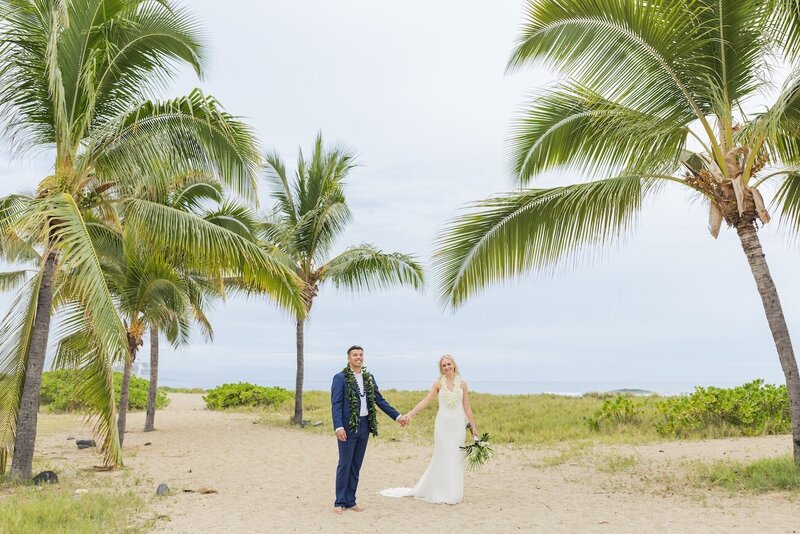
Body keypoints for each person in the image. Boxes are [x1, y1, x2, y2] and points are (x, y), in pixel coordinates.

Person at [380, 354, 478, 504]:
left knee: (455, 457)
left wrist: (474, 428)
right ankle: (441, 491)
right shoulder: (438, 384)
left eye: (449, 364)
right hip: (442, 425)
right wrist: (410, 414)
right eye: (444, 365)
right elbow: (426, 401)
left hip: (458, 425)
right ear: (441, 369)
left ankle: (453, 493)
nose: (447, 367)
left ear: (454, 365)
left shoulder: (463, 384)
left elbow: (467, 407)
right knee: (442, 455)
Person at [331, 345, 408, 514]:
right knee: (345, 464)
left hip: (365, 425)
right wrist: (338, 426)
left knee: (356, 465)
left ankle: (351, 500)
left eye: (360, 355)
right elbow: (336, 404)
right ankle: (339, 502)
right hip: (347, 427)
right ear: (348, 358)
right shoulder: (340, 378)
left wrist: (398, 417)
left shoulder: (368, 377)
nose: (358, 357)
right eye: (355, 355)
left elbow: (380, 400)